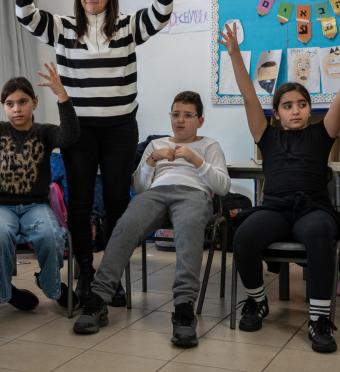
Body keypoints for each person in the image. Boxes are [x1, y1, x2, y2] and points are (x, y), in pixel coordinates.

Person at [16, 0, 174, 306]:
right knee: (82, 203)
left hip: (120, 128)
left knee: (120, 203)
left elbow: (162, 13)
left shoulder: (128, 27)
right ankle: (86, 274)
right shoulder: (63, 28)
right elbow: (24, 14)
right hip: (79, 130)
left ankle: (112, 276)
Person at [218, 23, 340, 353]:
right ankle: (257, 301)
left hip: (312, 209)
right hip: (275, 209)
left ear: (310, 109)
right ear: (276, 114)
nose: (296, 110)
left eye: (302, 104)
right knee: (244, 235)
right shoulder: (266, 135)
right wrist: (235, 55)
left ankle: (319, 319)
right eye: (288, 105)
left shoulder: (322, 134)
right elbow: (250, 95)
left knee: (322, 233)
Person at [73, 91, 231, 347]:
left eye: (188, 115)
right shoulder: (157, 144)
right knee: (125, 225)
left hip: (193, 194)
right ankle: (97, 300)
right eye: (176, 114)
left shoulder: (209, 145)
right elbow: (140, 186)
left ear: (200, 121)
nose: (181, 120)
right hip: (156, 193)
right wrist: (150, 160)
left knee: (189, 229)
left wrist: (195, 159)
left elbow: (222, 187)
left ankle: (183, 309)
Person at [0, 56, 81, 311]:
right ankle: (6, 292)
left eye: (23, 102)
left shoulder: (44, 132)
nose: (17, 109)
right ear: (3, 107)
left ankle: (51, 286)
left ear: (34, 103)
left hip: (36, 206)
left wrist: (62, 96)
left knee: (50, 236)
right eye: (10, 104)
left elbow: (70, 136)